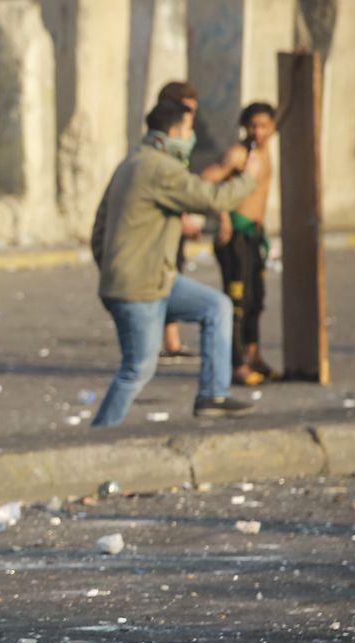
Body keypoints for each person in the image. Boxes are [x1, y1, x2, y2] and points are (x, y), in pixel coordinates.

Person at [89, 99, 259, 427]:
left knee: (216, 307)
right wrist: (248, 177)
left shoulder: (133, 162)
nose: (191, 135)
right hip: (139, 286)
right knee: (137, 368)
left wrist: (111, 268)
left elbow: (99, 228)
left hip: (154, 279)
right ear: (174, 130)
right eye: (188, 129)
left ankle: (212, 395)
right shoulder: (159, 168)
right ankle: (96, 437)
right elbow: (212, 198)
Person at [205, 102, 277, 385]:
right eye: (252, 126)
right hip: (234, 236)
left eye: (263, 126)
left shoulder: (265, 153)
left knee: (256, 300)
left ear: (272, 128)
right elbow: (207, 181)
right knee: (236, 302)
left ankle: (253, 355)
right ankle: (236, 365)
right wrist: (222, 215)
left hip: (254, 236)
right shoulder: (239, 155)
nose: (257, 132)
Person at [155, 80, 203, 363]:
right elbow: (166, 187)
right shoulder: (163, 146)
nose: (192, 118)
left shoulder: (181, 145)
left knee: (175, 275)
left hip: (174, 223)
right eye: (188, 112)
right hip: (161, 227)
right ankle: (165, 341)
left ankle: (171, 341)